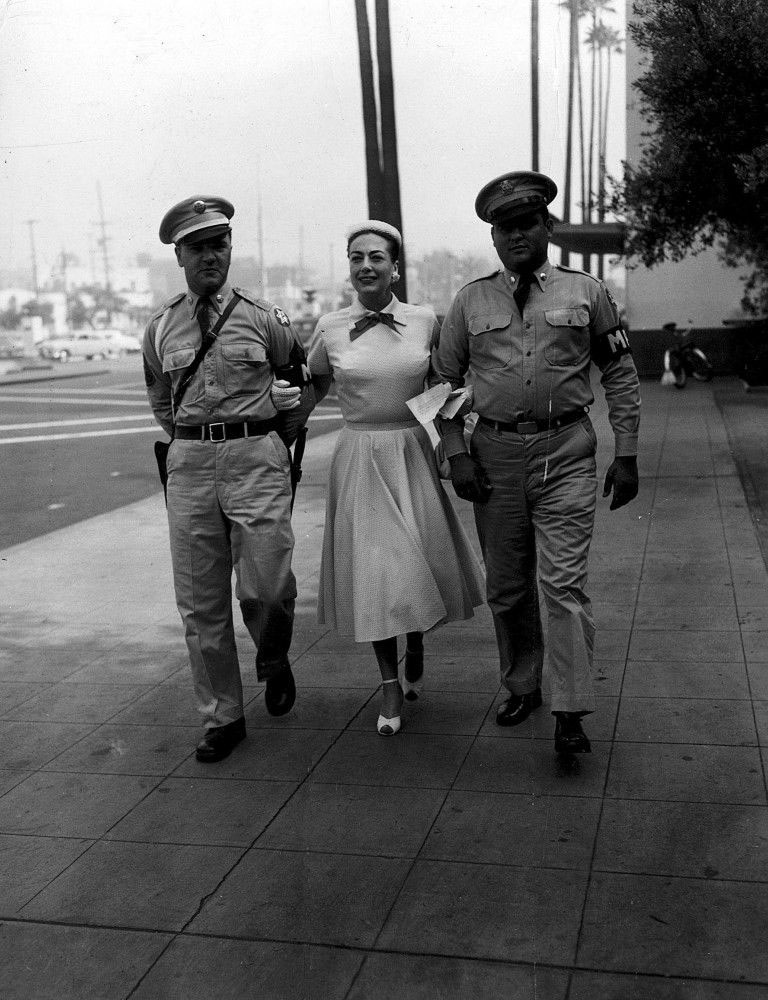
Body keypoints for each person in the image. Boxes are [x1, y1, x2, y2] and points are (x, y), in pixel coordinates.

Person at [432, 172, 640, 755]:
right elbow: (442, 382)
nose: (517, 234)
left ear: (546, 227)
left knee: (564, 584)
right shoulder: (470, 300)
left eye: (527, 223)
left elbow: (620, 374)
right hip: (493, 458)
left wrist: (626, 453)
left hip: (566, 454)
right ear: (493, 239)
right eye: (505, 228)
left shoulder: (586, 293)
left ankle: (570, 707)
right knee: (507, 586)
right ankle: (522, 683)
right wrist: (456, 452)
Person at [273, 220, 485, 735]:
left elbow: (446, 384)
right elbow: (315, 387)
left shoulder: (425, 321)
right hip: (359, 456)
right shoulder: (329, 327)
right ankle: (389, 686)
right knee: (375, 572)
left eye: (376, 258)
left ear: (395, 267)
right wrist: (279, 425)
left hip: (411, 450)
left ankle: (415, 639)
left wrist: (456, 433)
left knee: (417, 560)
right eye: (356, 258)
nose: (365, 267)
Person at [143, 196, 309, 762]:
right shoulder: (161, 327)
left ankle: (273, 652)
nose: (211, 255)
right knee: (199, 601)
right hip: (190, 464)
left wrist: (266, 437)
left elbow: (295, 385)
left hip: (256, 456)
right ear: (179, 255)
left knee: (268, 582)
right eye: (198, 247)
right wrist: (196, 442)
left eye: (220, 243)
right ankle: (223, 717)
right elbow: (162, 403)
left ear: (231, 248)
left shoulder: (265, 318)